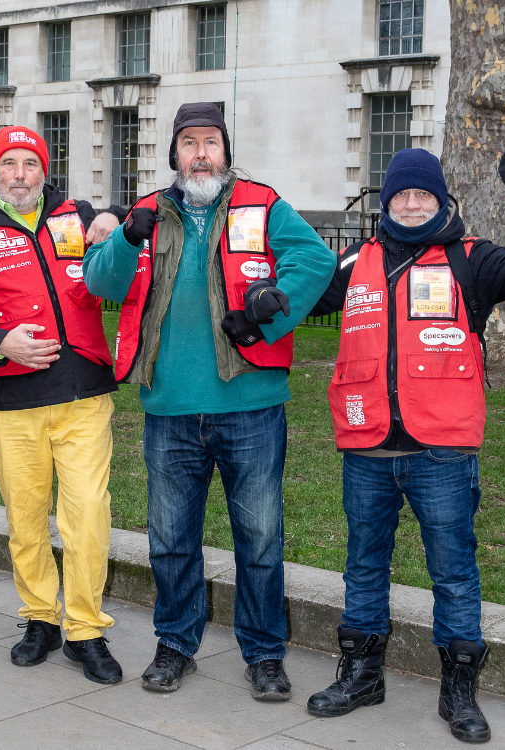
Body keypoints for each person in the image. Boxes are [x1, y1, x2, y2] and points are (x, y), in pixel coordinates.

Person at [304, 148, 505, 744]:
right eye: (402, 195)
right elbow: (301, 294)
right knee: (363, 568)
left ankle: (460, 690)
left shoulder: (470, 260)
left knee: (453, 574)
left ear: (442, 200)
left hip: (442, 452)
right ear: (387, 202)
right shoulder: (356, 261)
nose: (414, 203)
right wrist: (263, 299)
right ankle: (362, 674)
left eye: (424, 194)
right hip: (368, 448)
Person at [83, 102, 336, 698]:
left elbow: (317, 261)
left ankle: (265, 653)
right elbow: (100, 283)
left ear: (226, 150)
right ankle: (175, 644)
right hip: (169, 408)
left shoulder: (262, 203)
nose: (201, 153)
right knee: (171, 540)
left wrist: (266, 314)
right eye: (189, 142)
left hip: (250, 406)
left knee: (261, 540)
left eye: (211, 142)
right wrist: (124, 238)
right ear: (174, 153)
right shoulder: (147, 211)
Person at [0, 125, 126, 685]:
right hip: (13, 397)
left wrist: (112, 221)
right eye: (10, 163)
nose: (20, 174)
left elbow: (124, 232)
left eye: (30, 164)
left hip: (84, 391)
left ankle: (86, 629)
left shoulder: (74, 216)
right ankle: (40, 618)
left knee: (88, 513)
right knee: (26, 517)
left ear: (45, 170)